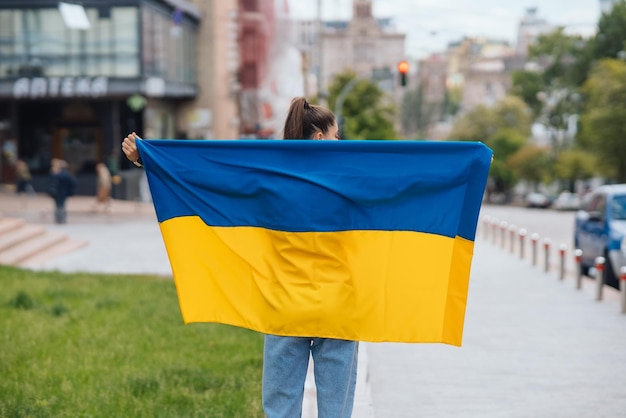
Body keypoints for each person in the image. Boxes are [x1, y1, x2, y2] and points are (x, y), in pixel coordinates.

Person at [121, 97, 356, 418]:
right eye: (336, 136)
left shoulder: (269, 175)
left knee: (281, 406)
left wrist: (146, 159)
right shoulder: (350, 178)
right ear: (319, 138)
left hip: (284, 303)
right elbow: (401, 186)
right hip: (337, 304)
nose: (340, 143)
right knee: (336, 408)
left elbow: (208, 178)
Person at [48, 158, 77, 224]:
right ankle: (62, 219)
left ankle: (58, 219)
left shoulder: (55, 174)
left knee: (57, 206)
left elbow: (50, 183)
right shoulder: (66, 175)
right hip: (63, 193)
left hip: (56, 192)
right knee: (62, 206)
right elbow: (73, 183)